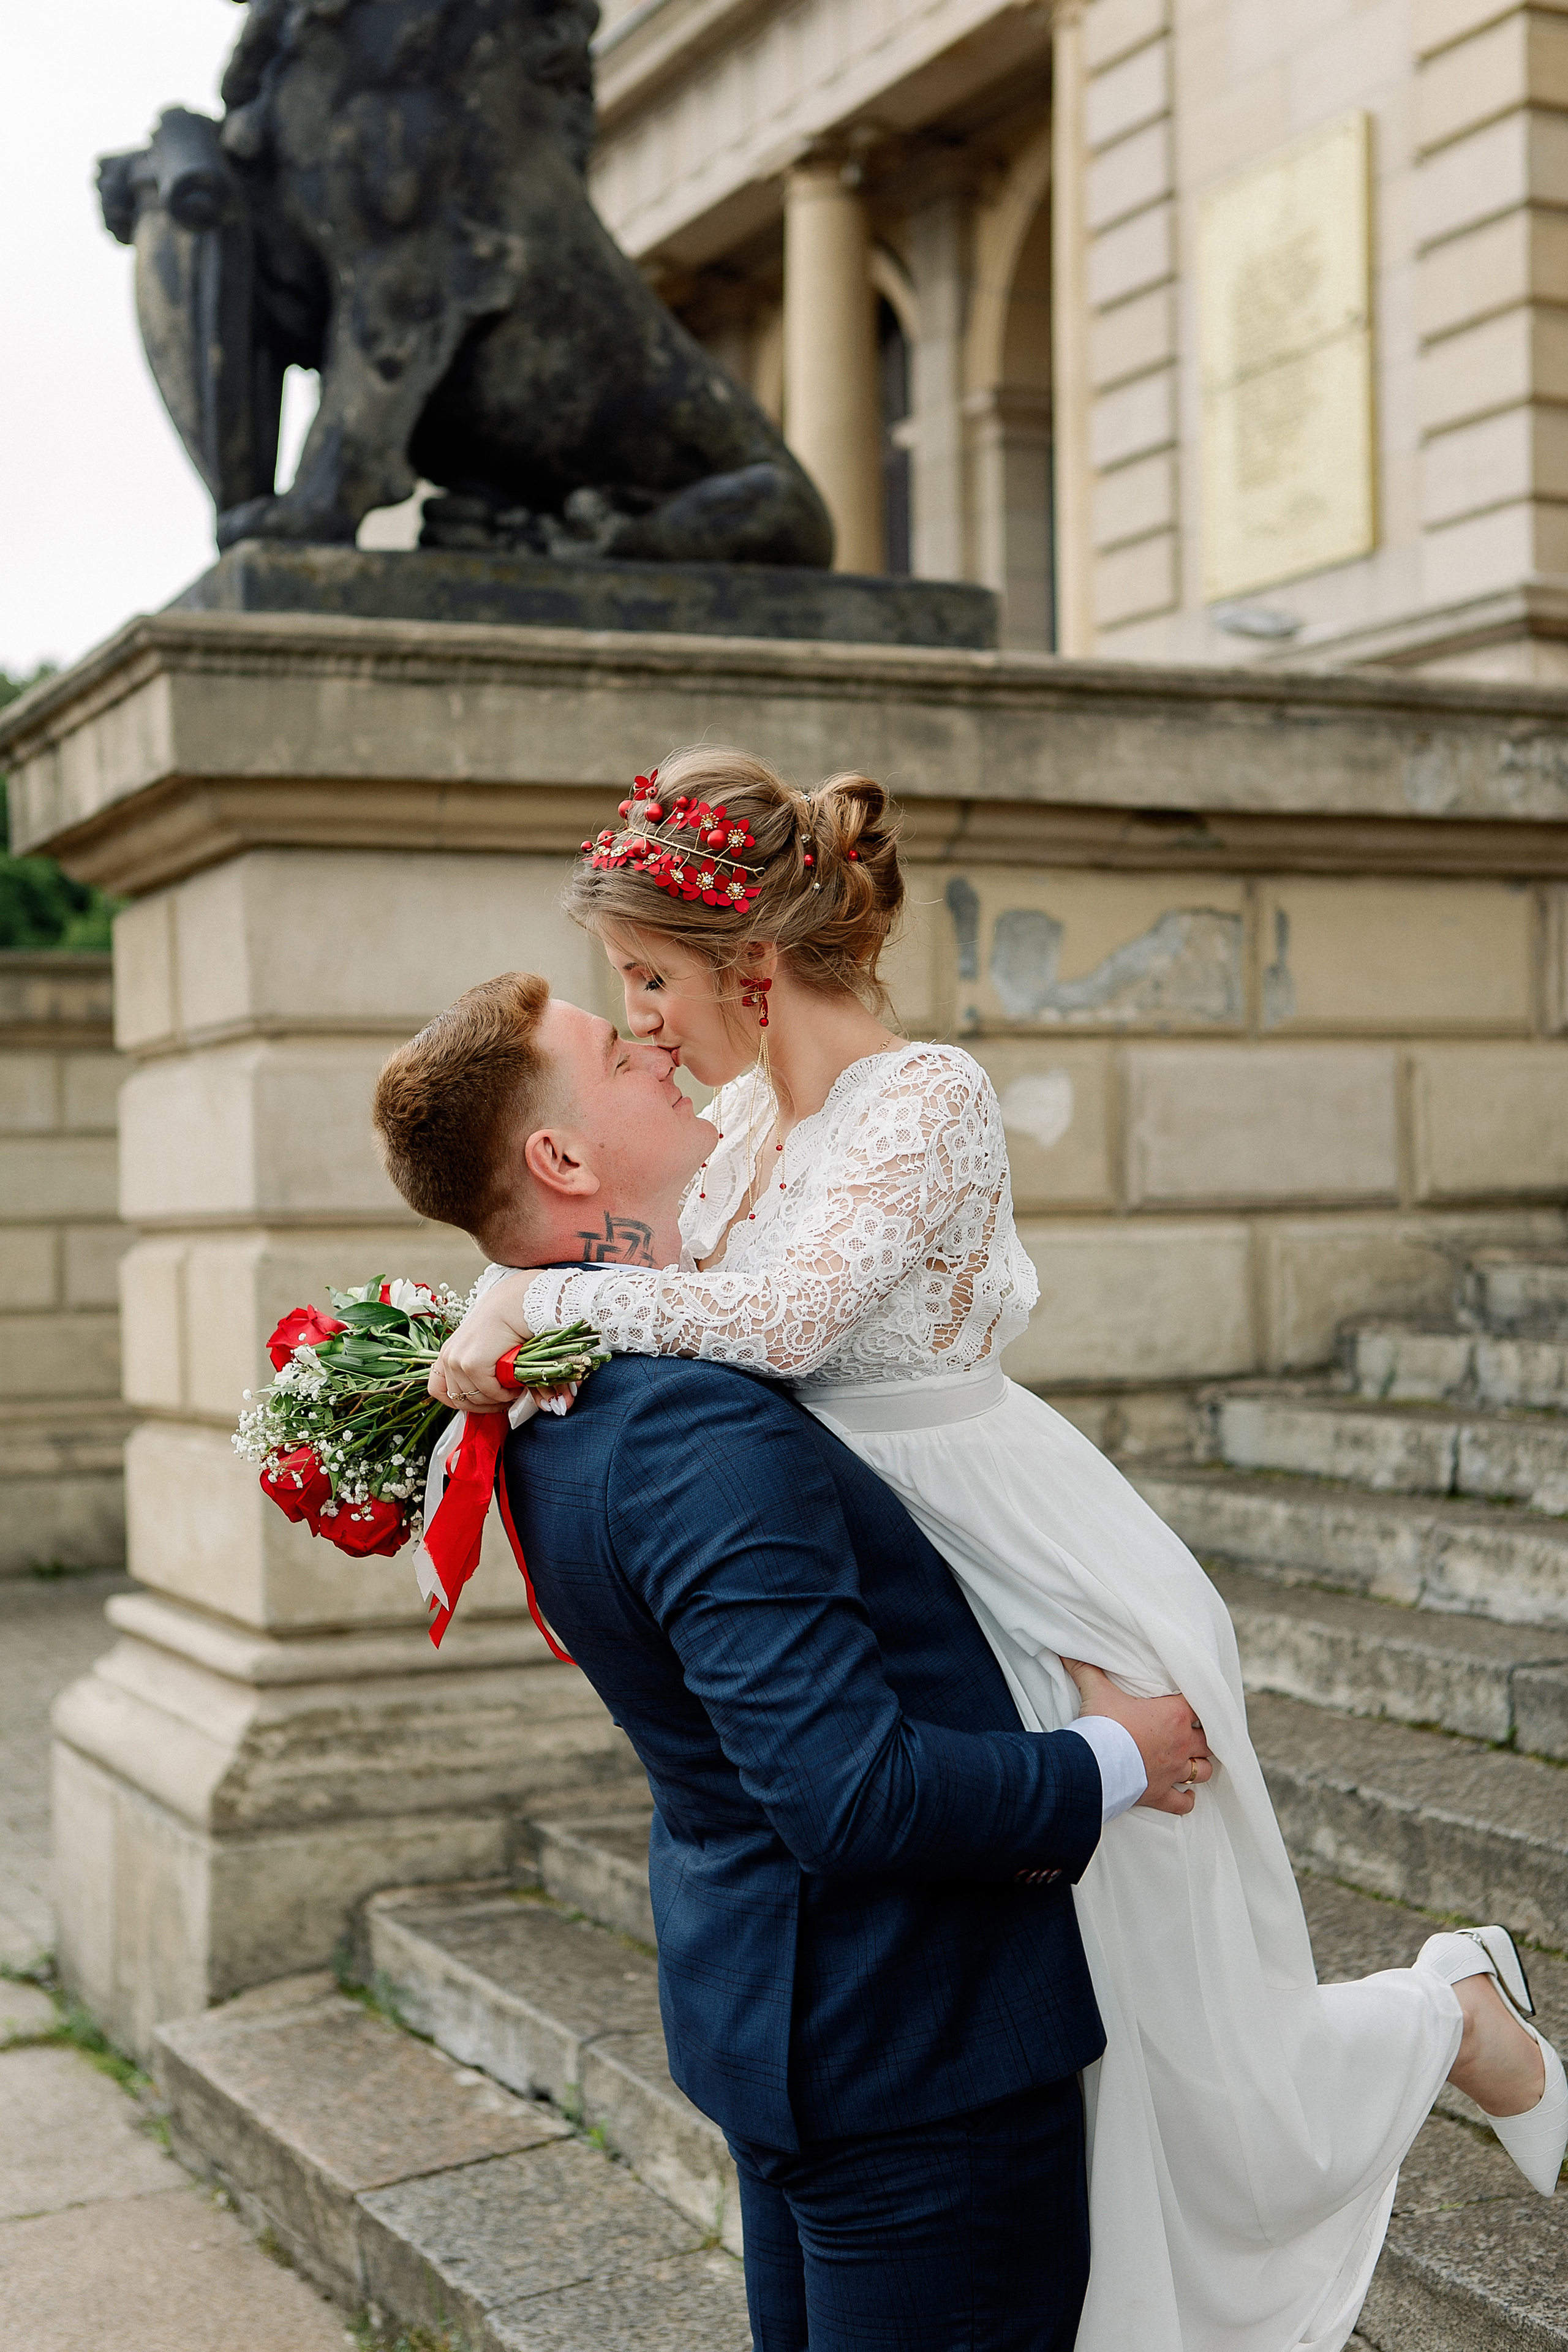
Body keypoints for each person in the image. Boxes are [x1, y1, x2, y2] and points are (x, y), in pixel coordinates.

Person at [426, 749, 1568, 2352]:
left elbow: (779, 1322)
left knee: (1193, 2042)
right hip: (914, 1583)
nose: (646, 1027)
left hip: (1040, 1569)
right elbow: (609, 1224)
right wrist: (492, 1287)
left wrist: (529, 1301)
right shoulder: (742, 1123)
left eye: (650, 979)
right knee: (1088, 2055)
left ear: (750, 960)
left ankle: (1448, 2013)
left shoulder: (927, 1098)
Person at [371, 970, 1217, 2352]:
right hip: (905, 2057)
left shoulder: (545, 1392)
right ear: (562, 1160)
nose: (656, 1044)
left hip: (772, 2006)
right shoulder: (694, 1428)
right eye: (616, 1050)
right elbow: (852, 1797)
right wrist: (1120, 1753)